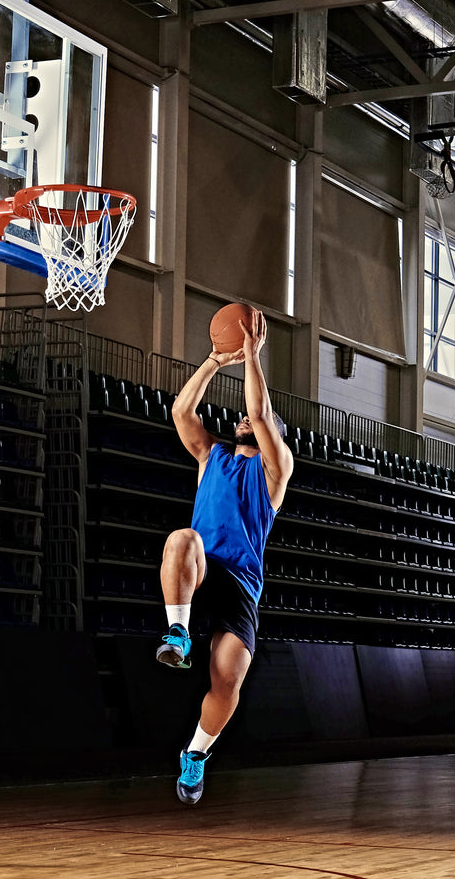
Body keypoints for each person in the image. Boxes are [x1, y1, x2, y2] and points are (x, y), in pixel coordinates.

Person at [155, 307, 293, 805]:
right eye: (240, 419)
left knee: (228, 681)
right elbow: (180, 412)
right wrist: (215, 361)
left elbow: (260, 415)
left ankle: (195, 754)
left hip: (241, 582)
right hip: (203, 567)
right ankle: (178, 631)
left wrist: (252, 355)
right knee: (181, 540)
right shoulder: (210, 455)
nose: (243, 419)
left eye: (256, 421)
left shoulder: (276, 470)